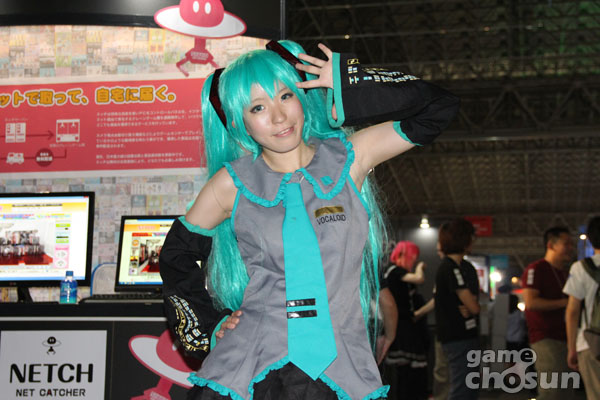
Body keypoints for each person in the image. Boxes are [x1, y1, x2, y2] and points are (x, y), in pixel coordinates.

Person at [159, 39, 459, 400]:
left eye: (285, 96)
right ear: (239, 123)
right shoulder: (231, 183)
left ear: (302, 95)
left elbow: (439, 107)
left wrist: (351, 82)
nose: (278, 116)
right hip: (249, 369)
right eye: (258, 107)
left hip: (342, 369)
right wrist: (210, 325)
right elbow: (175, 255)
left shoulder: (351, 157)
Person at [521, 226, 575, 400]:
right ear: (551, 245)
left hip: (566, 338)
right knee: (551, 392)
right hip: (545, 338)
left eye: (571, 244)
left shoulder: (565, 273)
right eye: (566, 244)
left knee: (565, 392)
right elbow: (531, 302)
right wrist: (567, 303)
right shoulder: (536, 269)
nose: (571, 248)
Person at [434, 218, 480, 400]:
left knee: (468, 386)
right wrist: (470, 305)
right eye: (470, 237)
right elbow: (473, 307)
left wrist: (470, 305)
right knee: (461, 388)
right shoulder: (449, 267)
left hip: (464, 335)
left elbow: (472, 303)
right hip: (456, 336)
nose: (473, 241)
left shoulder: (462, 267)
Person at [382, 241, 428, 400]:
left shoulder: (399, 275)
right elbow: (419, 278)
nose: (414, 260)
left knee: (407, 372)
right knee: (403, 372)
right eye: (413, 256)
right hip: (400, 327)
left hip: (406, 326)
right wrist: (420, 267)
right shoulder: (395, 271)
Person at [564, 216, 600, 399]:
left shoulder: (580, 268)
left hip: (590, 343)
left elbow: (572, 311)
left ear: (591, 239)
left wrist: (571, 348)